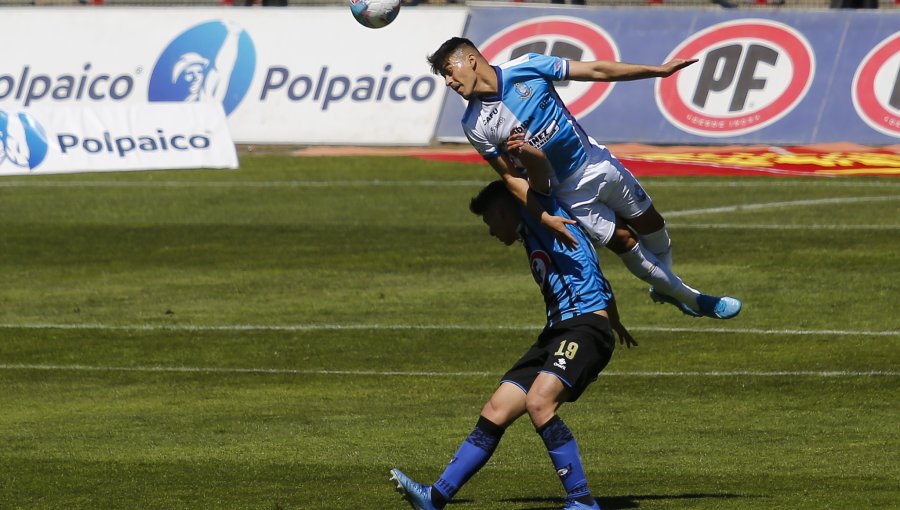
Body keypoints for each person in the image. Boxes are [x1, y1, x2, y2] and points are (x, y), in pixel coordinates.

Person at [426, 37, 741, 319]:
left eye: (449, 71)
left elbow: (598, 71)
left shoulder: (528, 66)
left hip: (595, 161)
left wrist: (658, 71)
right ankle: (695, 300)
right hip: (566, 192)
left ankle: (665, 285)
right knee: (624, 241)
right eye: (444, 76)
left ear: (470, 60)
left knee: (652, 224)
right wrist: (544, 214)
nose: (449, 82)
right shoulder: (475, 124)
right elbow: (510, 178)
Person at [391, 179, 635, 510]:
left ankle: (582, 501)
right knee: (496, 409)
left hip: (583, 330)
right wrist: (616, 317)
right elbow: (592, 272)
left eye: (489, 220)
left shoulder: (543, 217)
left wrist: (506, 147)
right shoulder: (532, 233)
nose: (490, 231)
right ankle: (435, 496)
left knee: (539, 403)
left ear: (506, 209)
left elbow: (522, 178)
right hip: (558, 332)